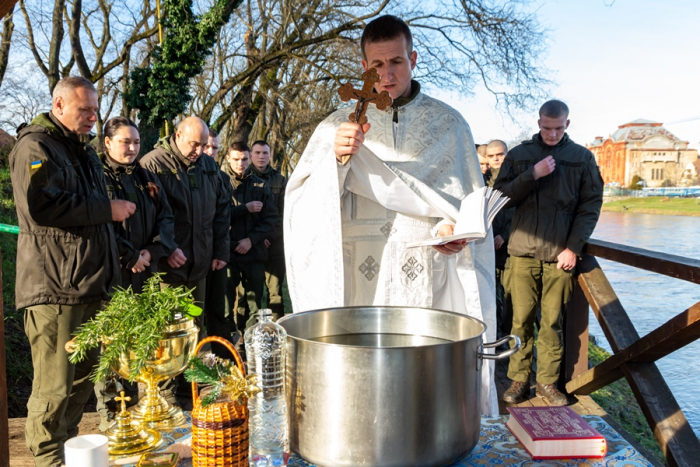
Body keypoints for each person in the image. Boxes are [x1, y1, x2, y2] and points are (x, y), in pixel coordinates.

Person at [284, 15, 498, 415]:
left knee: (423, 385)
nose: (387, 74)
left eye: (396, 62)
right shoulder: (337, 125)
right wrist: (334, 158)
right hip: (360, 276)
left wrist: (454, 230)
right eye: (377, 65)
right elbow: (300, 203)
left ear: (413, 58)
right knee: (361, 385)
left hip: (428, 269)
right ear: (364, 67)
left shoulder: (450, 125)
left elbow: (467, 202)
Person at [9, 76, 132, 467]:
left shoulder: (83, 151)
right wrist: (106, 210)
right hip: (55, 290)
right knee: (55, 387)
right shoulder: (34, 147)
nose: (94, 118)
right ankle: (49, 460)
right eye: (85, 110)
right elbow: (40, 204)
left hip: (91, 286)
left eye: (96, 110)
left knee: (81, 384)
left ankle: (68, 454)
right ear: (59, 105)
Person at [494, 100, 603, 406]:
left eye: (558, 128)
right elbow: (500, 197)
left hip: (560, 256)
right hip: (521, 253)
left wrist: (574, 247)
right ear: (539, 122)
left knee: (552, 322)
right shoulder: (519, 156)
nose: (552, 134)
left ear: (567, 124)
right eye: (546, 127)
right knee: (520, 320)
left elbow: (590, 205)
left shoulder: (582, 158)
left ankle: (547, 384)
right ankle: (518, 380)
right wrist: (532, 174)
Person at [94, 116, 177, 429]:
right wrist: (128, 256)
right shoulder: (96, 176)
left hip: (146, 272)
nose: (132, 148)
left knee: (137, 346)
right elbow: (97, 225)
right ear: (107, 142)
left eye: (136, 142)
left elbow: (166, 219)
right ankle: (112, 418)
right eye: (125, 142)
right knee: (111, 347)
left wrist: (151, 252)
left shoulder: (146, 176)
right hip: (111, 275)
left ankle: (135, 413)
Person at [141, 117, 230, 310]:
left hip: (201, 264)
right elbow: (146, 216)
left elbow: (221, 210)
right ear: (178, 135)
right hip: (167, 268)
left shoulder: (208, 165)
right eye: (194, 144)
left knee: (196, 325)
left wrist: (221, 250)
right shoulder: (152, 164)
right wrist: (167, 248)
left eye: (204, 145)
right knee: (171, 330)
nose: (199, 151)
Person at [222, 142, 278, 342]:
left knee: (253, 302)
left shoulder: (260, 185)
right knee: (226, 302)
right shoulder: (220, 182)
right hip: (227, 252)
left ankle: (249, 344)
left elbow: (270, 219)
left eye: (244, 159)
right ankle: (228, 344)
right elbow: (216, 217)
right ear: (228, 158)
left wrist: (251, 240)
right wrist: (244, 208)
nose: (240, 163)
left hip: (253, 252)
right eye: (236, 159)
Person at [203, 128, 237, 357]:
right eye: (206, 146)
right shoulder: (180, 172)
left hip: (214, 255)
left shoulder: (221, 178)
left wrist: (221, 253)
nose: (210, 151)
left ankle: (223, 360)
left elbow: (224, 219)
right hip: (186, 257)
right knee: (191, 312)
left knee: (218, 309)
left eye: (214, 147)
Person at [247, 140, 287, 321]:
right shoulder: (243, 178)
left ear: (270, 155)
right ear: (251, 155)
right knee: (249, 294)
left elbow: (282, 214)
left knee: (275, 292)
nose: (261, 157)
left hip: (275, 244)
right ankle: (249, 333)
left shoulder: (280, 180)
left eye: (265, 153)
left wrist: (268, 236)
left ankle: (277, 330)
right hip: (251, 244)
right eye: (257, 153)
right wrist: (258, 238)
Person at [485, 139, 513, 339]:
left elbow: (522, 211)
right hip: (486, 245)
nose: (496, 158)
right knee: (489, 293)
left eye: (500, 154)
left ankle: (506, 336)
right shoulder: (481, 181)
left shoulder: (516, 178)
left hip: (511, 246)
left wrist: (505, 234)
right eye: (492, 155)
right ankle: (491, 335)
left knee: (509, 296)